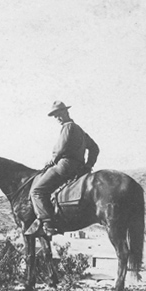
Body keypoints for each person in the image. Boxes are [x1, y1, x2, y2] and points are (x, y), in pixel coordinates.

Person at [28, 101, 99, 237]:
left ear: (66, 112)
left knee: (36, 191)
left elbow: (60, 148)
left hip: (64, 166)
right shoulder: (80, 130)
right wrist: (88, 165)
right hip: (78, 168)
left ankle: (47, 224)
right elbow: (94, 148)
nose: (57, 118)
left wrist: (52, 160)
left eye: (59, 114)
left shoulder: (67, 127)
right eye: (55, 116)